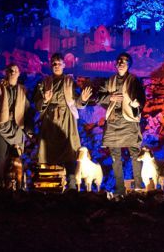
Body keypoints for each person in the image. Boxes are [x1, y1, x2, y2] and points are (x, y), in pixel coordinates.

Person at [91, 52, 146, 196]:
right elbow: (99, 97)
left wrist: (136, 103)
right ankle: (120, 188)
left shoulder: (134, 80)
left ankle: (139, 186)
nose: (121, 63)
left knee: (135, 154)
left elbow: (141, 98)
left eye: (125, 61)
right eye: (119, 60)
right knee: (115, 156)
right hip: (114, 121)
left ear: (129, 65)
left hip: (129, 121)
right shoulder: (110, 81)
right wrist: (111, 97)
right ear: (116, 64)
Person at [35, 52, 93, 189]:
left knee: (69, 151)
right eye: (54, 63)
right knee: (48, 151)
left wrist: (83, 99)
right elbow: (38, 104)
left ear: (64, 65)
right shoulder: (44, 82)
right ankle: (49, 186)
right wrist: (45, 100)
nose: (56, 66)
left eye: (59, 63)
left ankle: (72, 185)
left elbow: (77, 103)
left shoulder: (69, 82)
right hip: (50, 120)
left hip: (67, 120)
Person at [0, 63, 31, 189]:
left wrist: (28, 128)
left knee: (16, 159)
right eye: (10, 70)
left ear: (19, 73)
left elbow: (26, 110)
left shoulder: (22, 90)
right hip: (3, 126)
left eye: (15, 70)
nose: (12, 72)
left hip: (17, 128)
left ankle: (18, 185)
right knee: (0, 157)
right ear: (6, 72)